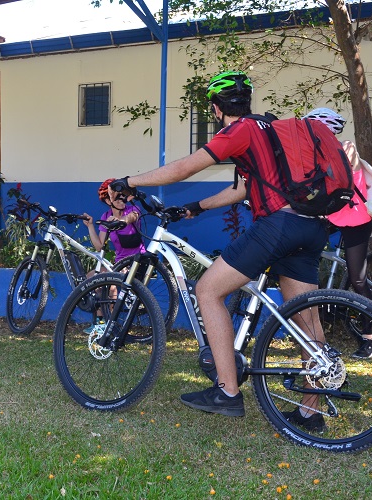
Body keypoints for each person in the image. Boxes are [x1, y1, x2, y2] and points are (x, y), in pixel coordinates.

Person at [109, 71, 329, 430]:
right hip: (309, 224)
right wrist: (198, 206)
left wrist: (129, 181)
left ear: (215, 108)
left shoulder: (237, 130)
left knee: (208, 290)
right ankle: (311, 411)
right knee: (306, 319)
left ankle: (227, 392)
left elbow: (182, 168)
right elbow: (243, 189)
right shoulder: (270, 128)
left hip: (278, 226)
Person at [303, 108, 372, 359]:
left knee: (357, 279)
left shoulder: (346, 148)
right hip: (334, 217)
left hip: (356, 219)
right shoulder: (316, 153)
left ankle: (370, 338)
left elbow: (337, 180)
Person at [81, 178, 146, 333]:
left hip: (137, 261)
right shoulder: (106, 216)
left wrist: (119, 221)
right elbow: (99, 245)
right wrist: (90, 226)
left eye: (123, 195)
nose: (121, 199)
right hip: (119, 263)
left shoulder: (133, 210)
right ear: (108, 200)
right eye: (117, 196)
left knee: (110, 284)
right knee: (92, 277)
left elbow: (132, 218)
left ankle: (109, 324)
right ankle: (99, 323)